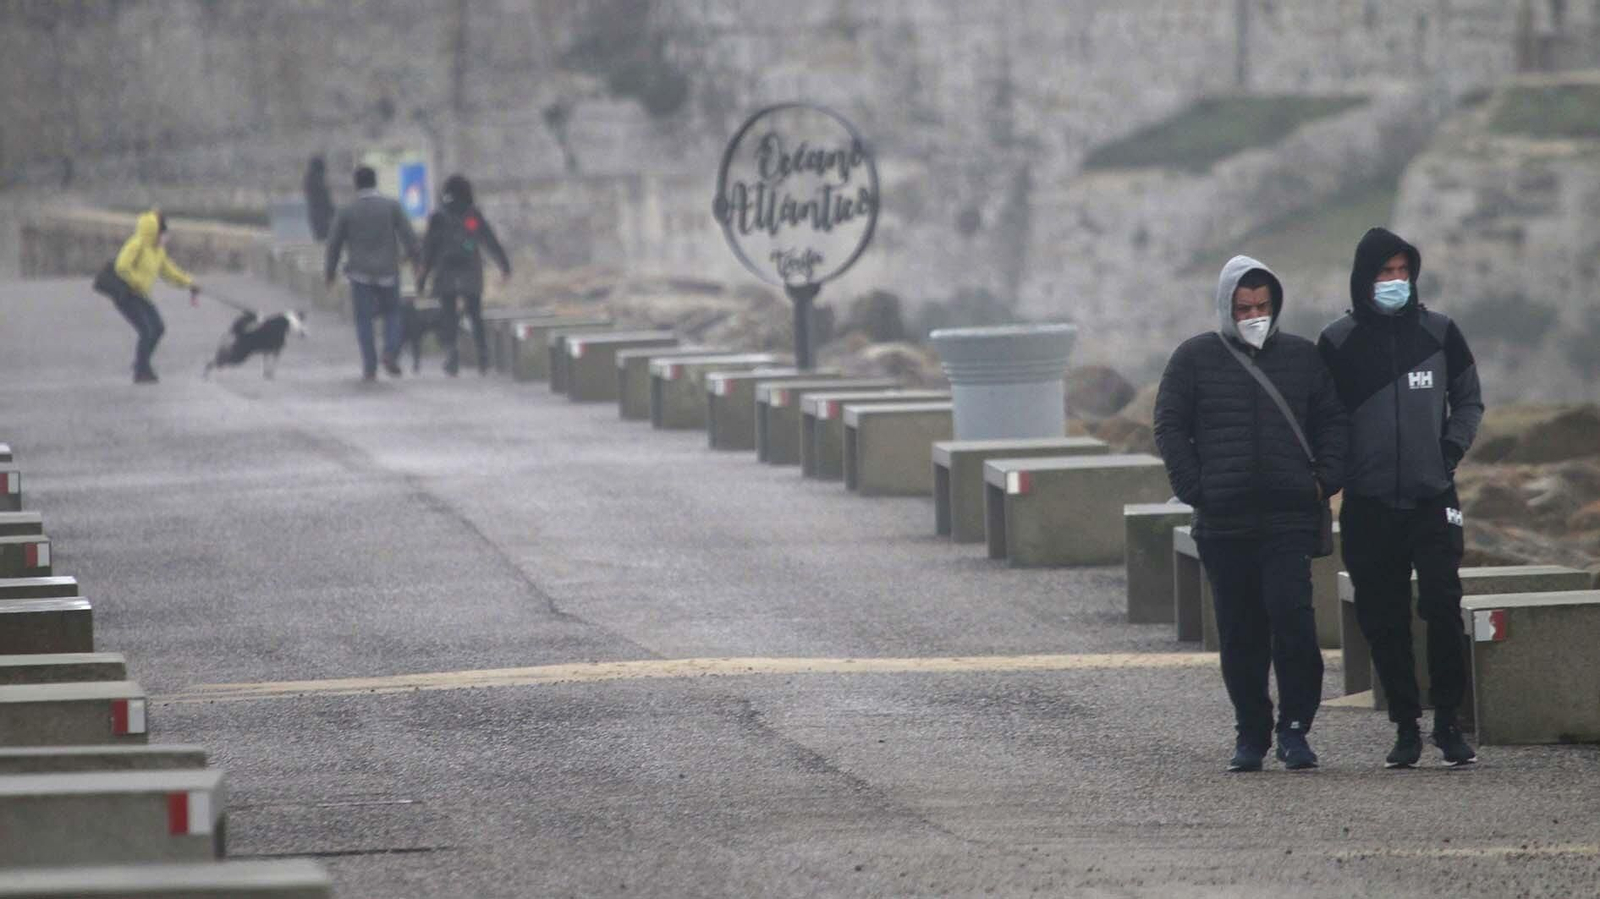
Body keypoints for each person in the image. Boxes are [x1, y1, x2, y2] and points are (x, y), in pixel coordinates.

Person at [1154, 255, 1348, 772]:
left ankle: (1295, 729)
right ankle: (1251, 733)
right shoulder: (1194, 358)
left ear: (1276, 304)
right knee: (1240, 634)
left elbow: (1333, 422)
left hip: (1289, 518)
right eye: (1244, 307)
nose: (1254, 315)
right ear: (1227, 306)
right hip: (1224, 522)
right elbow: (1170, 426)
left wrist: (1322, 481)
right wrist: (1197, 489)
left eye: (1262, 305)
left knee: (1293, 622)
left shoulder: (1303, 359)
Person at [1317, 228, 1484, 769]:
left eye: (1401, 271)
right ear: (1364, 278)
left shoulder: (1440, 333)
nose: (1394, 281)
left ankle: (1448, 724)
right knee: (1382, 618)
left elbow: (1469, 399)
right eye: (1384, 273)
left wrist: (1448, 452)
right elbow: (1325, 418)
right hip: (1368, 503)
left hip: (1432, 495)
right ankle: (1406, 727)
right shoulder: (1337, 342)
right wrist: (1335, 473)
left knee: (1441, 600)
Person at [324, 166, 420, 380]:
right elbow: (409, 236)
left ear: (356, 184)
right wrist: (416, 260)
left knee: (364, 319)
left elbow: (334, 244)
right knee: (393, 313)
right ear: (375, 182)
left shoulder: (347, 210)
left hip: (360, 273)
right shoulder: (391, 206)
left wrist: (329, 273)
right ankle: (390, 352)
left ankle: (370, 366)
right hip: (388, 271)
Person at [417, 174, 511, 376]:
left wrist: (422, 278)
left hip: (446, 271)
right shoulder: (471, 216)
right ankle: (483, 356)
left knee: (448, 315)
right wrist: (504, 265)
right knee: (475, 314)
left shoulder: (438, 216)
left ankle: (452, 356)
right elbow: (488, 240)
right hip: (470, 270)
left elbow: (429, 248)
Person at [93, 210, 201, 383]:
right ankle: (141, 370)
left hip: (141, 295)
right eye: (164, 233)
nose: (166, 237)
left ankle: (141, 363)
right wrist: (137, 282)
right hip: (127, 295)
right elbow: (122, 266)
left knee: (158, 328)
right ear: (155, 232)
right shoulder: (136, 244)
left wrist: (189, 283)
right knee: (146, 330)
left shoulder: (157, 250)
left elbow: (168, 271)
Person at [303, 155, 334, 243]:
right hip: (321, 214)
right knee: (324, 238)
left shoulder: (309, 179)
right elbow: (324, 199)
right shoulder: (317, 180)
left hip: (315, 213)